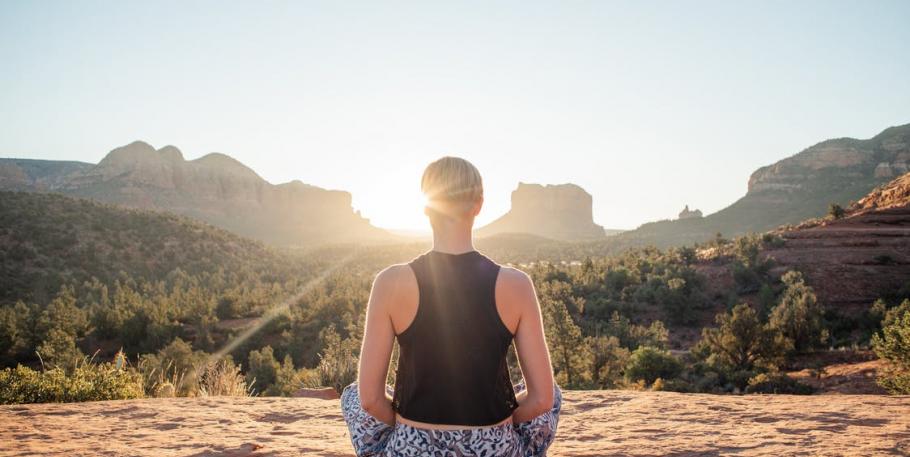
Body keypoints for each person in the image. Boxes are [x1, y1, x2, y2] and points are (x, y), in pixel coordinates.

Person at [340, 156, 562, 456]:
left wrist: (412, 429)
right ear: (479, 205)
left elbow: (370, 400)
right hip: (494, 447)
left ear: (426, 206)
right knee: (554, 395)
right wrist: (501, 424)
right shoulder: (516, 284)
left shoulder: (389, 282)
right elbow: (541, 400)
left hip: (413, 446)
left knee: (353, 396)